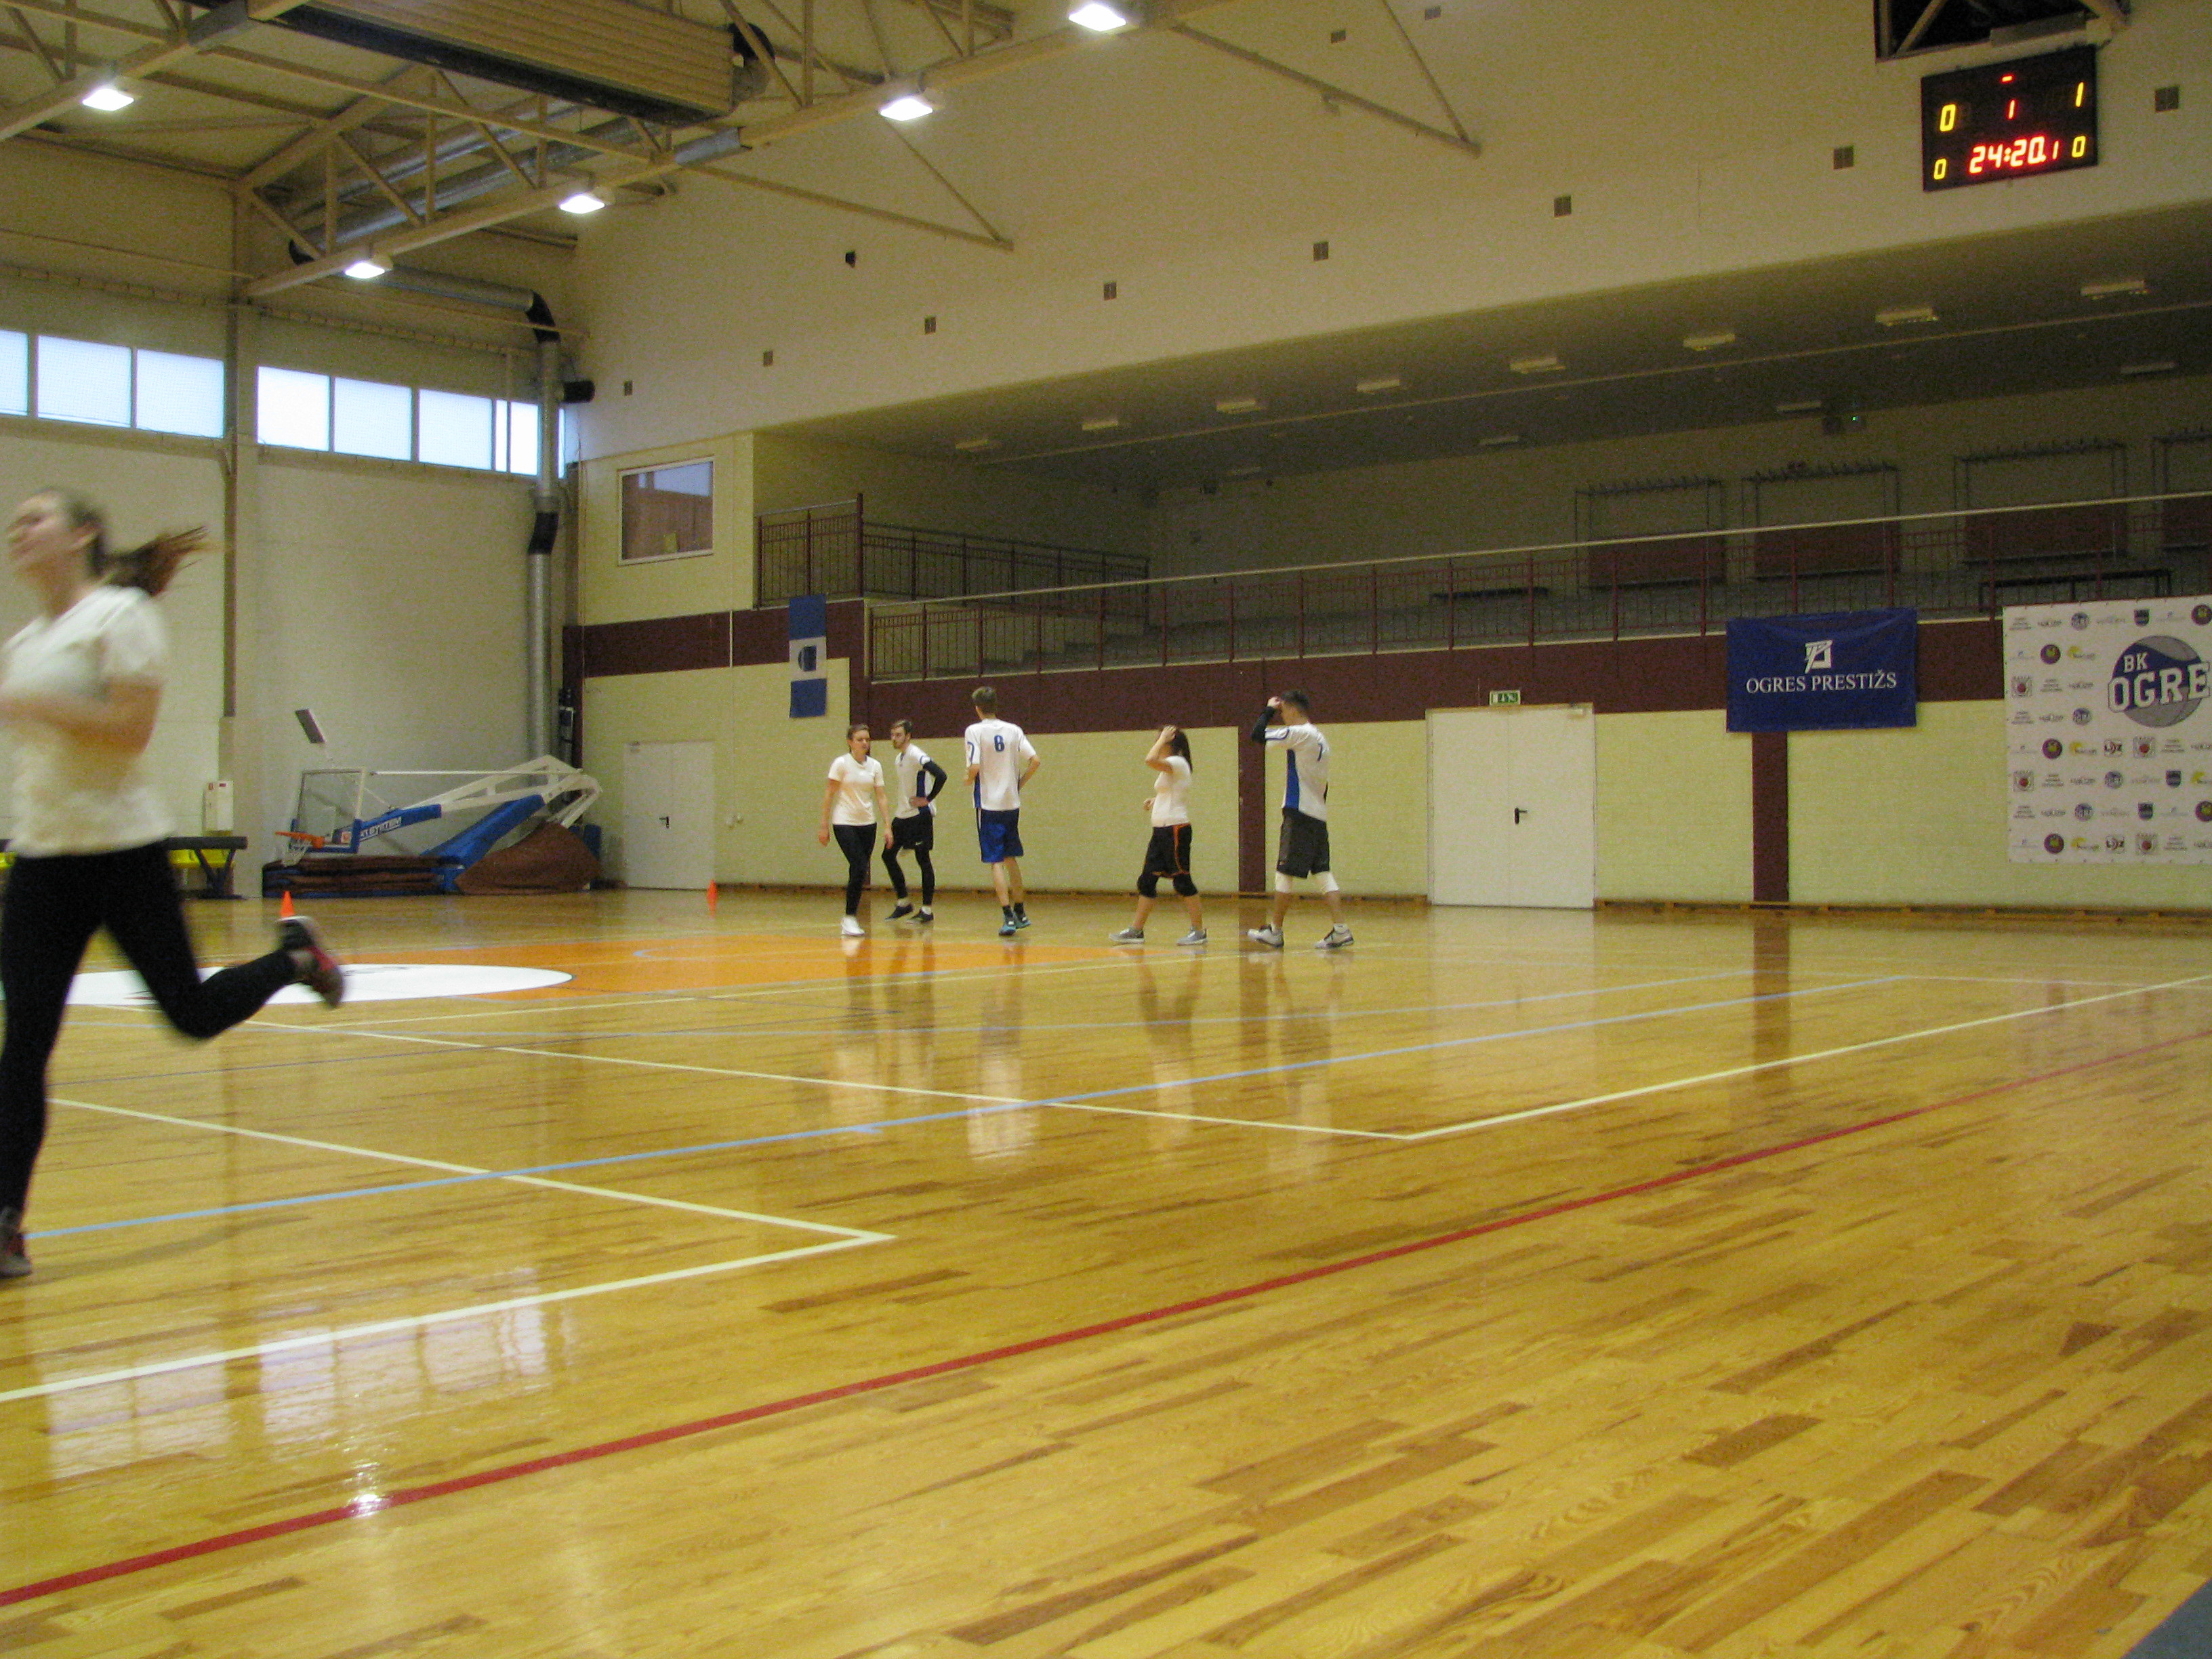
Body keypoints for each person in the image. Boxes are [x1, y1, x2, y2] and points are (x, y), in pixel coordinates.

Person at [0, 488, 345, 1282]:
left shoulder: (120, 617)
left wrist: (32, 702)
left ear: (82, 534)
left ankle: (296, 958)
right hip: (43, 861)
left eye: (36, 517)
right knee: (22, 1050)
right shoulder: (25, 641)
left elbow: (129, 730)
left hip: (123, 857)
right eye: (15, 520)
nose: (19, 529)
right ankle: (6, 1222)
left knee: (189, 1016)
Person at [1246, 689, 1351, 949]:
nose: (1281, 716)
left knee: (1284, 873)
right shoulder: (1321, 738)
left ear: (1292, 709)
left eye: (1283, 711)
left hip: (1299, 812)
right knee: (1323, 873)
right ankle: (1341, 930)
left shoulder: (1300, 733)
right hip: (1318, 814)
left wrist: (1268, 709)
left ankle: (1275, 931)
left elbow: (1257, 734)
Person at [1110, 725, 1206, 946]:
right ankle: (1137, 931)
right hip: (1161, 831)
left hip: (1176, 829)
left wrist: (1162, 739)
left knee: (1182, 881)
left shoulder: (1178, 762)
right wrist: (1156, 801)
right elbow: (1173, 792)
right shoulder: (1170, 767)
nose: (1157, 742)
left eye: (1161, 739)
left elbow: (1149, 760)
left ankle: (1199, 931)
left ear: (1170, 742)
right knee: (1147, 880)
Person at [963, 685, 1040, 937]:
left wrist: (968, 778)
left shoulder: (974, 730)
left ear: (977, 708)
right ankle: (1021, 912)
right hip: (1011, 803)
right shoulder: (1014, 730)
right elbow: (1035, 760)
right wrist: (1019, 784)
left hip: (988, 804)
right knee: (1011, 857)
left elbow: (974, 766)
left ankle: (1007, 916)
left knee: (995, 861)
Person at [817, 722, 893, 937]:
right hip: (844, 822)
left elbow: (881, 797)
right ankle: (849, 917)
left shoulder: (875, 766)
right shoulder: (841, 764)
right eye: (860, 739)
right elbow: (829, 794)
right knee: (859, 865)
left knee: (859, 870)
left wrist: (887, 826)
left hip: (868, 823)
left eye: (867, 739)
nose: (864, 743)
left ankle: (851, 918)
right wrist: (824, 825)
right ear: (850, 742)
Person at [882, 718, 946, 923]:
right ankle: (904, 903)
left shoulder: (916, 754)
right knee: (888, 855)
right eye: (892, 735)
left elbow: (941, 775)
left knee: (923, 859)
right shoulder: (899, 758)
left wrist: (928, 799)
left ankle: (927, 910)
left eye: (898, 735)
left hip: (920, 815)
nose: (894, 738)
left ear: (908, 736)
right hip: (903, 814)